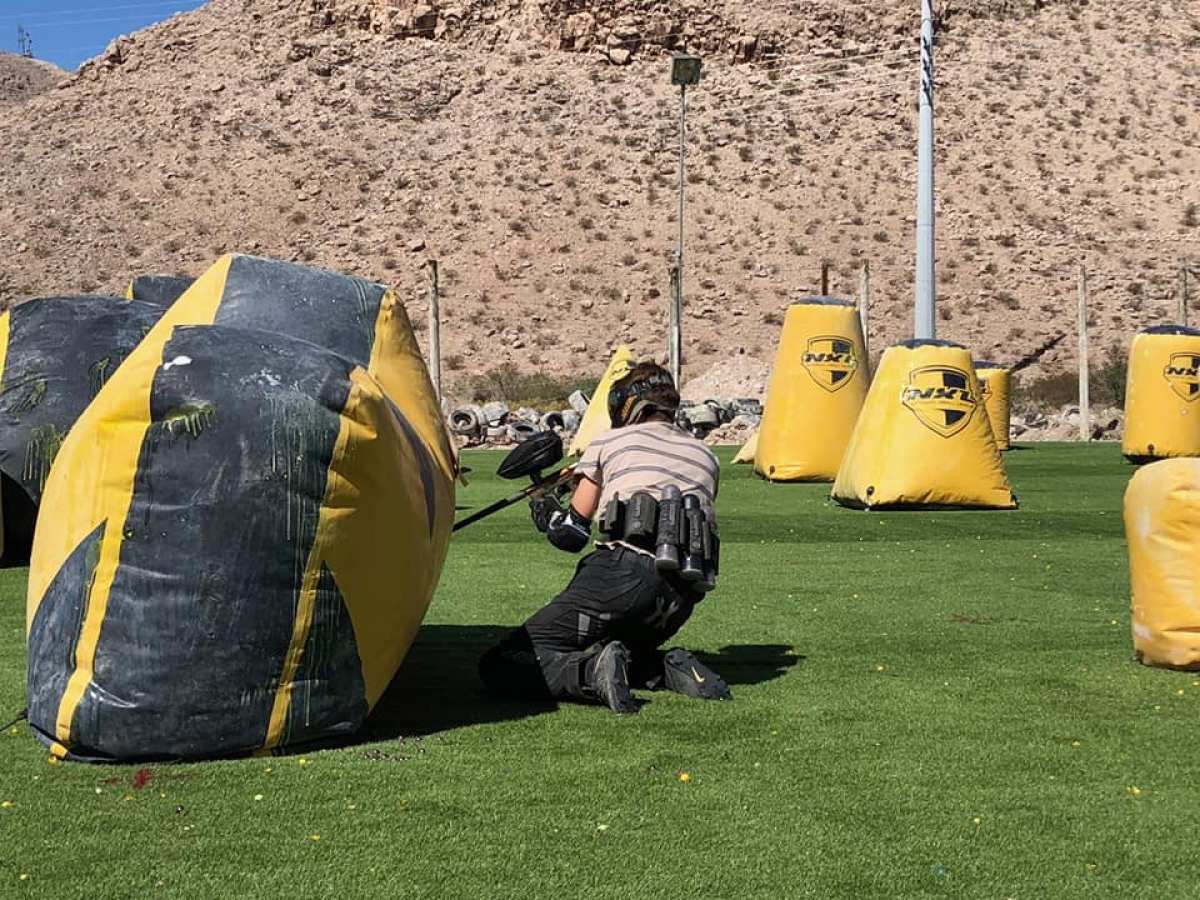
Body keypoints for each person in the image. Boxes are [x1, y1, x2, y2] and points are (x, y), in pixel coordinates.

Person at [478, 361, 731, 714]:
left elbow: (569, 534)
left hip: (622, 576)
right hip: (680, 596)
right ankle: (661, 667)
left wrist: (545, 508)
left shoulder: (611, 441)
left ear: (627, 404)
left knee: (504, 661)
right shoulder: (706, 456)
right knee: (616, 647)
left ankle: (590, 674)